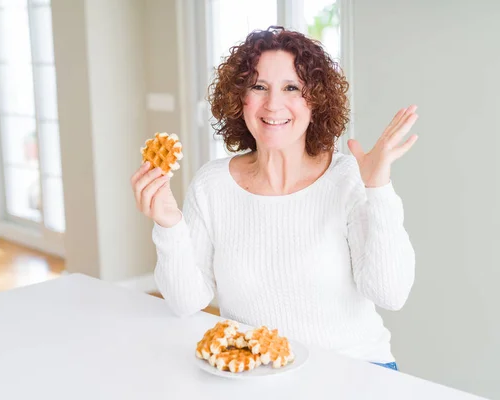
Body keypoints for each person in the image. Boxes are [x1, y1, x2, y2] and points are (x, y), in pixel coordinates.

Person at [130, 26, 418, 371]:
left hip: (355, 371)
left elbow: (390, 294)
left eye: (291, 88)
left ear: (317, 100)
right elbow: (186, 302)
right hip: (257, 374)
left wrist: (379, 189)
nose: (273, 104)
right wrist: (169, 226)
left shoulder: (347, 178)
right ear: (240, 98)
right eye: (259, 86)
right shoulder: (212, 185)